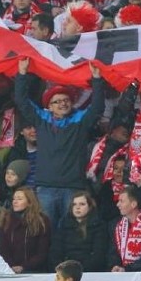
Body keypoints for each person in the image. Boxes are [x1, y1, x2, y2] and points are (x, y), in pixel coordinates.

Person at [14, 58, 104, 228]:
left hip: (73, 188)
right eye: (57, 101)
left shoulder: (80, 121)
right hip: (45, 188)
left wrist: (97, 80)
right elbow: (21, 100)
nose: (63, 103)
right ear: (50, 106)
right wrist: (22, 73)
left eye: (66, 100)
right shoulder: (41, 119)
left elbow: (98, 107)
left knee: (72, 231)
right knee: (45, 231)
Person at [0, 187, 50, 273]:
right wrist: (11, 266)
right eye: (14, 199)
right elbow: (2, 247)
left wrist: (24, 267)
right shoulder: (5, 220)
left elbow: (42, 251)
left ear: (29, 202)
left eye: (19, 199)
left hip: (34, 271)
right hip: (9, 269)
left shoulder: (42, 221)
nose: (15, 202)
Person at [48, 191, 106, 271]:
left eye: (82, 204)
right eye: (74, 204)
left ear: (90, 207)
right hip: (66, 270)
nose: (77, 207)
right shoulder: (64, 225)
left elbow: (98, 254)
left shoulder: (98, 225)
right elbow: (56, 251)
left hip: (90, 271)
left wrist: (80, 270)